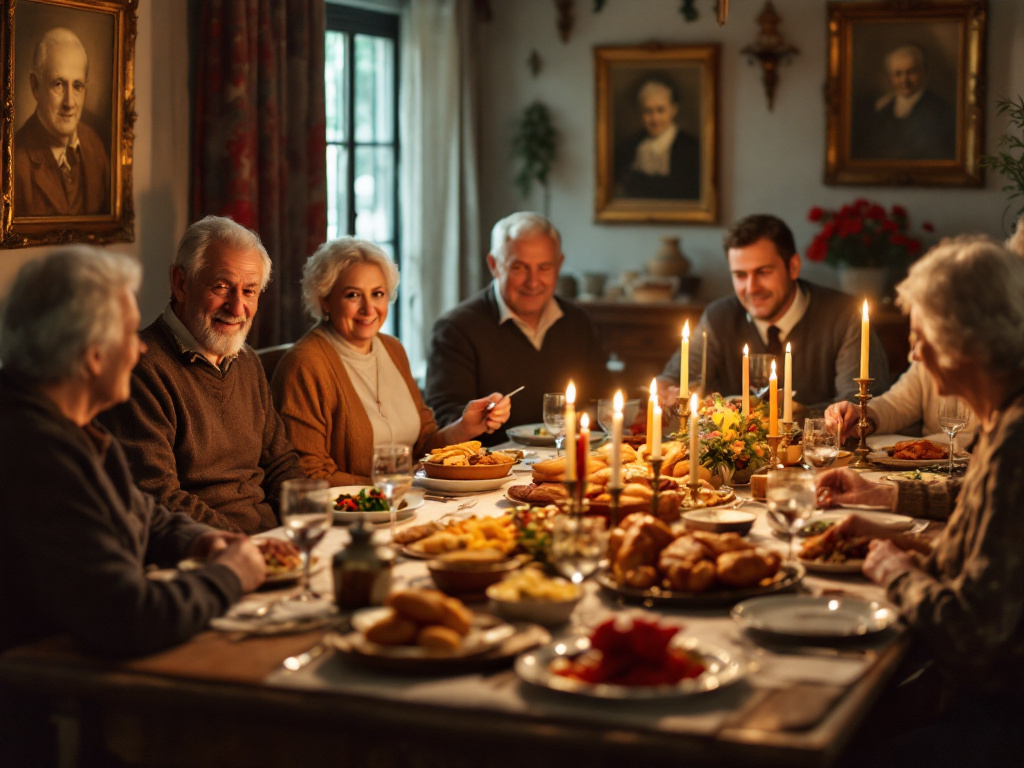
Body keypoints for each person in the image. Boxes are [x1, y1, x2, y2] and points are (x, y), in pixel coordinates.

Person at [0, 247, 265, 658]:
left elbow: (142, 512)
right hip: (51, 689)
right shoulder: (36, 454)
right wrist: (229, 574)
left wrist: (204, 542)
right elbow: (129, 616)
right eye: (127, 334)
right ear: (93, 355)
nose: (140, 349)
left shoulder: (71, 425)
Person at [818, 236, 1024, 764]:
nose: (913, 353)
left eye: (920, 337)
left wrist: (894, 571)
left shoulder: (1015, 440)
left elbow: (974, 635)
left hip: (994, 719)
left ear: (963, 342)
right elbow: (983, 519)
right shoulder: (1005, 419)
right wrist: (883, 503)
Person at [101, 216, 305, 535]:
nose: (237, 308)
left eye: (249, 291)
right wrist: (247, 545)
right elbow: (158, 498)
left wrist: (309, 523)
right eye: (221, 287)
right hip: (206, 552)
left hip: (271, 541)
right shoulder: (140, 366)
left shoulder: (247, 360)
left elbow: (281, 463)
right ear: (180, 283)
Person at [271, 238, 511, 485]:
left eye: (377, 294)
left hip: (410, 500)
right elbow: (309, 475)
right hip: (352, 514)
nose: (368, 309)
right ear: (325, 299)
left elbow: (423, 446)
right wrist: (393, 487)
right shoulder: (305, 364)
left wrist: (465, 427)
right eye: (353, 295)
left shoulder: (392, 348)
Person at [657, 214, 891, 413]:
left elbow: (859, 404)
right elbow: (672, 381)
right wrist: (667, 392)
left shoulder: (845, 316)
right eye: (740, 275)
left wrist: (794, 413)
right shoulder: (719, 317)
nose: (751, 288)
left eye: (763, 272)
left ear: (793, 267)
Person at [825, 214, 1024, 443]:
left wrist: (929, 445)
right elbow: (896, 403)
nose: (914, 354)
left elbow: (987, 444)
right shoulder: (927, 364)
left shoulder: (1008, 414)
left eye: (922, 338)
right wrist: (861, 415)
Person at [425, 212, 607, 446]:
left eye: (544, 268)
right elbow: (442, 420)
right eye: (519, 267)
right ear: (494, 265)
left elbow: (602, 397)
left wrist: (587, 415)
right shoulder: (455, 329)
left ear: (559, 264)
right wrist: (479, 417)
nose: (533, 282)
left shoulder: (578, 322)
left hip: (569, 460)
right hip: (491, 472)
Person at [13, 27, 110, 216]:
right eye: (58, 84)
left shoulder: (95, 147)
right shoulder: (16, 162)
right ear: (35, 86)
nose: (69, 103)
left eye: (77, 86)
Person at [852, 44, 955, 161]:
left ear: (924, 73)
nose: (904, 80)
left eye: (911, 72)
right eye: (898, 74)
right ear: (890, 77)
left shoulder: (940, 110)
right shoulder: (882, 109)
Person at [614, 78, 700, 199]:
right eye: (648, 111)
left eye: (660, 110)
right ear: (640, 113)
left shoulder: (692, 149)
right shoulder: (628, 147)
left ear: (673, 110)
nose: (654, 119)